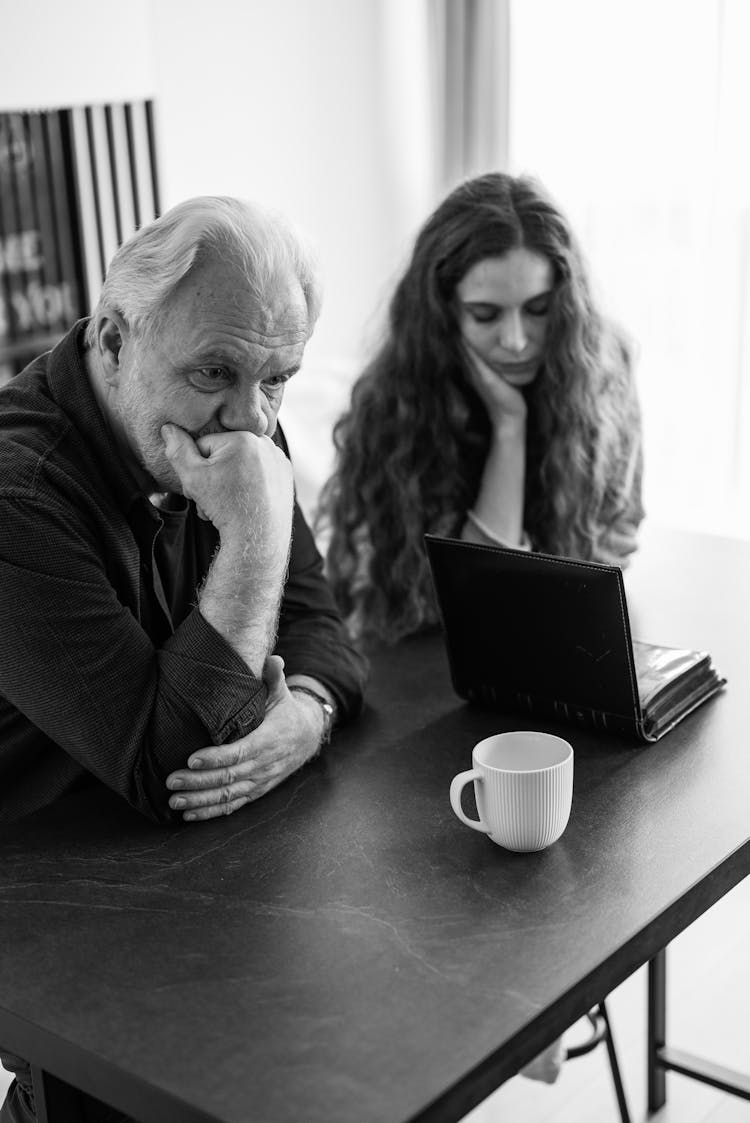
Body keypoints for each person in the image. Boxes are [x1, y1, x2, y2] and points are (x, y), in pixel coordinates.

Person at [0, 196, 368, 1120]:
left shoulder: (232, 404)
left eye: (279, 379)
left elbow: (323, 624)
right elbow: (168, 769)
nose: (252, 418)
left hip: (191, 867)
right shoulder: (16, 493)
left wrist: (304, 715)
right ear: (116, 340)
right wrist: (252, 537)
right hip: (45, 898)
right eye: (217, 371)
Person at [318, 172, 644, 646]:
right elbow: (466, 605)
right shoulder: (395, 398)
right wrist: (509, 428)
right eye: (486, 315)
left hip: (563, 642)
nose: (516, 341)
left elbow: (615, 539)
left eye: (539, 309)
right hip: (433, 654)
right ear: (443, 312)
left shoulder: (602, 371)